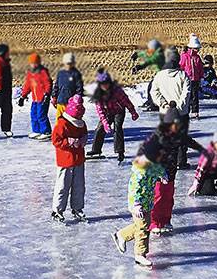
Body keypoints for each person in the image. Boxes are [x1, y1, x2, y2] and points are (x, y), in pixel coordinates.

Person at [147, 106, 205, 234]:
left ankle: (165, 220)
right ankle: (154, 223)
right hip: (158, 176)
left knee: (168, 199)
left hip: (172, 174)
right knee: (158, 198)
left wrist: (203, 151)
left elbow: (191, 142)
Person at [112, 136, 161, 268]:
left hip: (148, 201)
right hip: (138, 204)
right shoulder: (141, 170)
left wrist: (163, 175)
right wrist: (137, 205)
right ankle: (140, 255)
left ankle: (121, 235)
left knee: (143, 225)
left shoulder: (154, 164)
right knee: (144, 227)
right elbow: (134, 189)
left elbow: (158, 169)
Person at [50, 94, 88, 222]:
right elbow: (56, 141)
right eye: (77, 116)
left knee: (79, 187)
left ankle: (77, 208)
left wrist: (83, 140)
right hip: (65, 161)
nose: (79, 118)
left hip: (79, 160)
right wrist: (70, 142)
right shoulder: (62, 124)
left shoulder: (81, 123)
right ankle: (57, 210)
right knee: (62, 186)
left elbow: (85, 134)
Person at [87, 71, 138, 162]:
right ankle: (96, 149)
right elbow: (100, 111)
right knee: (99, 129)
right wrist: (106, 124)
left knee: (117, 128)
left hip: (119, 111)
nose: (105, 86)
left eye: (106, 83)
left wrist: (133, 112)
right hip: (107, 113)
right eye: (102, 84)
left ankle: (120, 151)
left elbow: (126, 101)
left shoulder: (117, 91)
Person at [149, 47, 191, 119]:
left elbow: (154, 92)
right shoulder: (184, 76)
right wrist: (179, 107)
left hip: (165, 113)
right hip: (181, 113)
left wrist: (164, 105)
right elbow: (186, 93)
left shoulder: (159, 75)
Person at [18, 52, 52, 139]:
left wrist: (47, 94)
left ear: (38, 63)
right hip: (35, 99)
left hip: (42, 98)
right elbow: (28, 85)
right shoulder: (30, 73)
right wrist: (23, 96)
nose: (33, 65)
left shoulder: (43, 72)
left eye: (35, 63)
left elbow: (48, 83)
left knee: (41, 115)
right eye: (31, 63)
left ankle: (46, 132)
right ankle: (36, 131)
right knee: (33, 115)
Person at [132, 38, 165, 110]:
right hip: (160, 74)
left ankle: (153, 104)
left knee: (152, 87)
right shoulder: (156, 52)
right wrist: (137, 54)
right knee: (151, 86)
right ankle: (150, 101)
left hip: (164, 75)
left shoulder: (158, 55)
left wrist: (138, 67)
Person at [51, 52, 83, 123]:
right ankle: (58, 133)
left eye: (70, 63)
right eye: (67, 63)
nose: (69, 65)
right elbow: (56, 86)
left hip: (71, 103)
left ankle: (70, 133)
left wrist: (78, 98)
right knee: (59, 118)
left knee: (70, 119)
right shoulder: (60, 73)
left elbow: (79, 87)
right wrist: (54, 96)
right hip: (61, 101)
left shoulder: (76, 74)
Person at [180, 34, 204, 115]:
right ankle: (186, 110)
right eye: (197, 48)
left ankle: (195, 111)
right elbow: (181, 66)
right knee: (187, 96)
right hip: (187, 79)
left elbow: (201, 68)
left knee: (195, 96)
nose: (198, 50)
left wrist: (201, 77)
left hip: (195, 79)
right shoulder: (185, 56)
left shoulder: (197, 58)